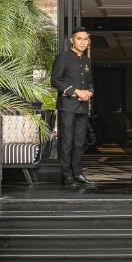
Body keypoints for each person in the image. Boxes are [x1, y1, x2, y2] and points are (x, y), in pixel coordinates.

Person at [50, 26, 95, 187]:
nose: (83, 42)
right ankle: (66, 176)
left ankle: (77, 173)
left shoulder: (86, 60)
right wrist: (76, 91)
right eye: (79, 39)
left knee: (79, 142)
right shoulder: (63, 58)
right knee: (67, 141)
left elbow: (90, 82)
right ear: (72, 40)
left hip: (83, 106)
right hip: (67, 106)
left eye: (85, 39)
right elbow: (55, 81)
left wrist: (89, 92)